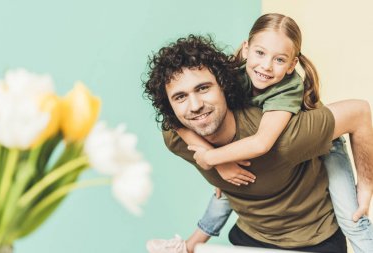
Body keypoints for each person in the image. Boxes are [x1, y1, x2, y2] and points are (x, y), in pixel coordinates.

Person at [146, 13, 373, 253]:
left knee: (353, 217)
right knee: (224, 192)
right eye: (260, 53)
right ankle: (189, 246)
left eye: (203, 89)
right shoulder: (234, 76)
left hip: (322, 149)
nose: (265, 66)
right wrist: (218, 161)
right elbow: (173, 121)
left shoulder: (287, 118)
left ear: (292, 64)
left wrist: (367, 183)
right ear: (246, 50)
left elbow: (263, 142)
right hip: (251, 231)